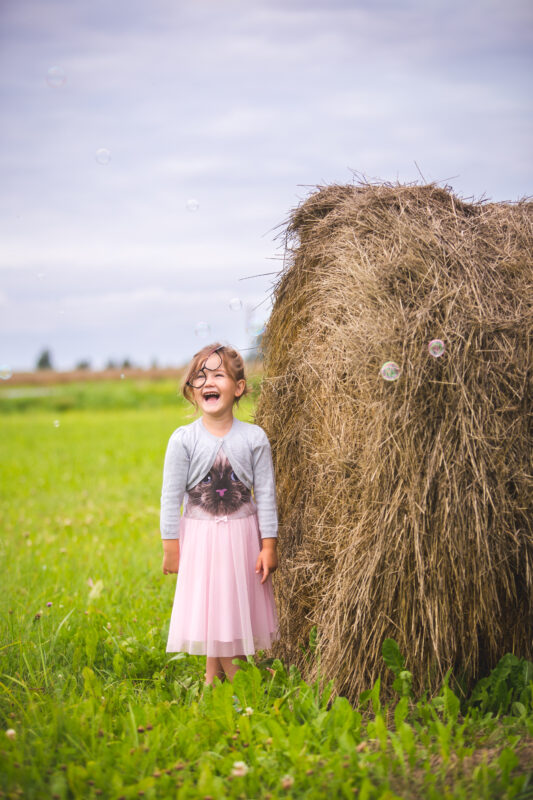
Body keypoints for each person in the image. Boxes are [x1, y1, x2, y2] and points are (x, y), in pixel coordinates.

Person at [160, 343, 279, 684]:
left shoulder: (254, 438)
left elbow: (266, 496)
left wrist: (268, 544)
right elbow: (170, 498)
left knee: (227, 610)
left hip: (243, 538)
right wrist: (171, 544)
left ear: (238, 387)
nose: (208, 381)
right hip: (201, 538)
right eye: (200, 376)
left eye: (218, 375)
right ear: (192, 389)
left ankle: (214, 682)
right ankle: (247, 684)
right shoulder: (183, 440)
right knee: (215, 609)